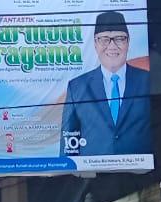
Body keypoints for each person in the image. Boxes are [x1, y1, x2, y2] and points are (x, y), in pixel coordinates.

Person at [59, 11, 152, 158]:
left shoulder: (148, 81)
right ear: (95, 43)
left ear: (128, 42)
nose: (112, 46)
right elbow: (68, 142)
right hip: (91, 177)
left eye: (119, 38)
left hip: (141, 175)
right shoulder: (77, 87)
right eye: (104, 39)